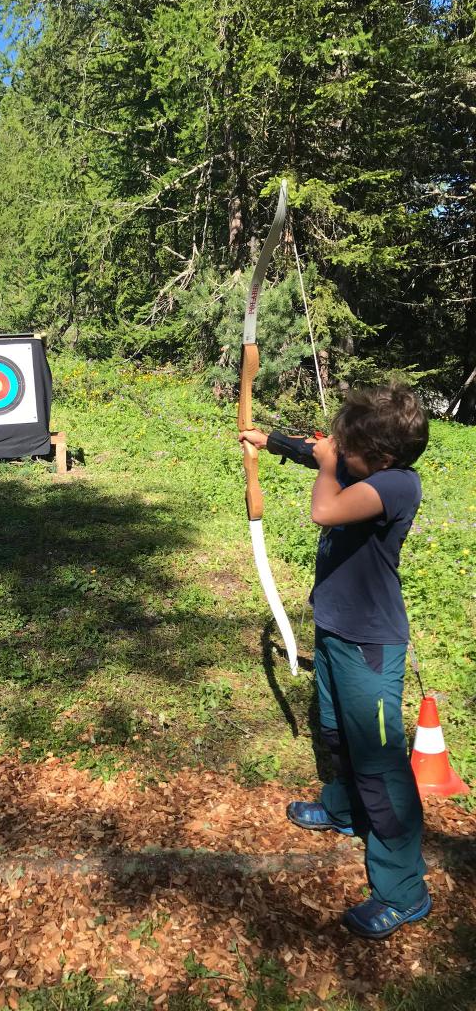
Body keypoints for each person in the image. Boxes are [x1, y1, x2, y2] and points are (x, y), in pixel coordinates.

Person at [239, 384, 431, 939]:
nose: (337, 449)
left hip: (370, 647)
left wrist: (327, 462)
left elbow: (325, 509)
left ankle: (404, 890)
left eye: (348, 448)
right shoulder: (366, 466)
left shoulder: (394, 486)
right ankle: (344, 811)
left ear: (382, 457)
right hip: (336, 630)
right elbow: (320, 451)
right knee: (334, 732)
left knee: (380, 762)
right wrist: (270, 441)